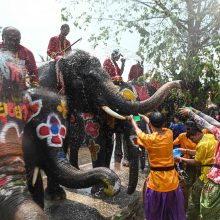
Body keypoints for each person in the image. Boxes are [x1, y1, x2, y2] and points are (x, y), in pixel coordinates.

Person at [127, 111, 186, 220]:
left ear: (150, 125)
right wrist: (145, 118)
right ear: (163, 124)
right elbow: (155, 127)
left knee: (155, 213)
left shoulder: (148, 139)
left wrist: (132, 120)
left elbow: (138, 131)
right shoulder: (169, 133)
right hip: (172, 182)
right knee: (174, 213)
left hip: (157, 183)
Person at [179, 107, 220, 220]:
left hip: (213, 180)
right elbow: (211, 122)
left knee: (201, 204)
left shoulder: (210, 137)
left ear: (196, 134)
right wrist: (195, 111)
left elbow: (207, 124)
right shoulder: (211, 136)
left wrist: (192, 113)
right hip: (209, 173)